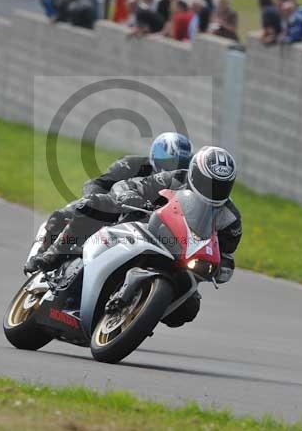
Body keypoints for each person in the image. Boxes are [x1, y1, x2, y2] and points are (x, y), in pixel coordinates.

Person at [28, 146, 242, 327]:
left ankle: (140, 311)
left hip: (180, 256)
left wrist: (220, 268)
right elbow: (130, 185)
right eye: (209, 182)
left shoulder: (230, 219)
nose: (215, 190)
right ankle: (54, 254)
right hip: (142, 226)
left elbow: (226, 256)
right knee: (91, 206)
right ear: (195, 173)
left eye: (222, 185)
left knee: (188, 309)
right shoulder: (174, 178)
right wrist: (131, 195)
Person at [27, 133, 194, 272]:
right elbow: (97, 184)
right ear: (155, 156)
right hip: (112, 208)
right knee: (63, 215)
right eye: (169, 162)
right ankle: (47, 255)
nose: (172, 168)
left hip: (147, 226)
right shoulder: (132, 164)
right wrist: (102, 201)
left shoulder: (184, 183)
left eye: (180, 164)